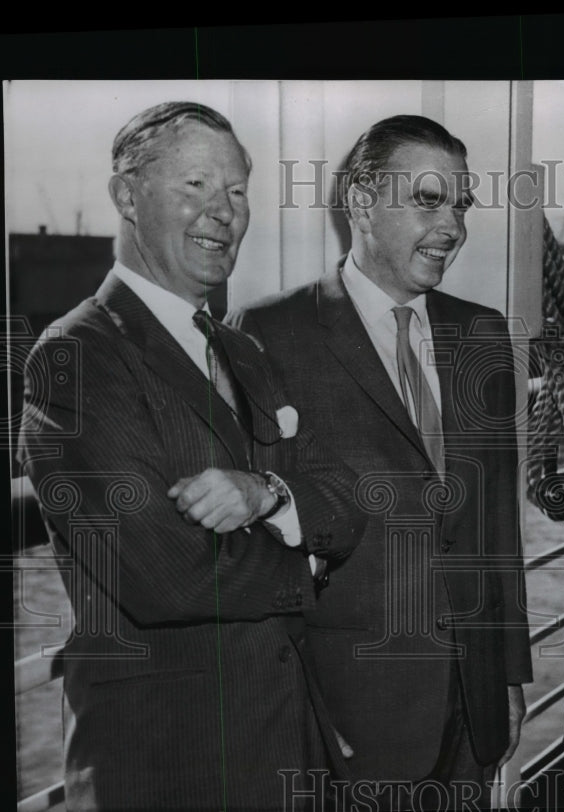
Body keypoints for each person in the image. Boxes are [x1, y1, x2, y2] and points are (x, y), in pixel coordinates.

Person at [17, 101, 364, 810]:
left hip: (287, 749)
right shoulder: (76, 357)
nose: (224, 212)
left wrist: (268, 492)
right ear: (126, 195)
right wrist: (307, 551)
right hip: (169, 767)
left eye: (237, 191)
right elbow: (168, 577)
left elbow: (343, 494)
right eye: (195, 185)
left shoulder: (243, 350)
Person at [228, 115, 532, 809]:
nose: (452, 226)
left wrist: (508, 678)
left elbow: (494, 526)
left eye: (461, 205)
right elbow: (258, 540)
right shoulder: (270, 333)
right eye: (428, 201)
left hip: (472, 706)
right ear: (360, 203)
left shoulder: (481, 332)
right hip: (346, 716)